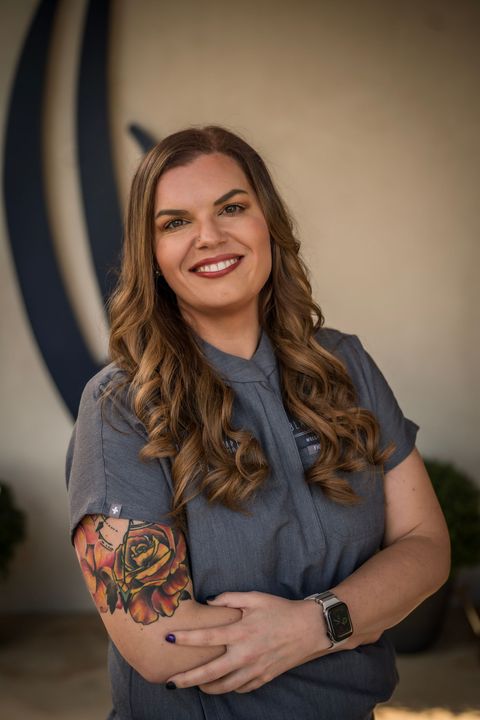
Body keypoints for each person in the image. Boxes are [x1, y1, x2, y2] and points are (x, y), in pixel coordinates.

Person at [66, 125, 450, 720]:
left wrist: (313, 624)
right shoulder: (121, 406)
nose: (209, 237)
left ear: (267, 222)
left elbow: (425, 546)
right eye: (175, 223)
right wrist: (360, 610)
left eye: (232, 208)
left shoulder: (344, 365)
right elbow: (158, 642)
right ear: (153, 258)